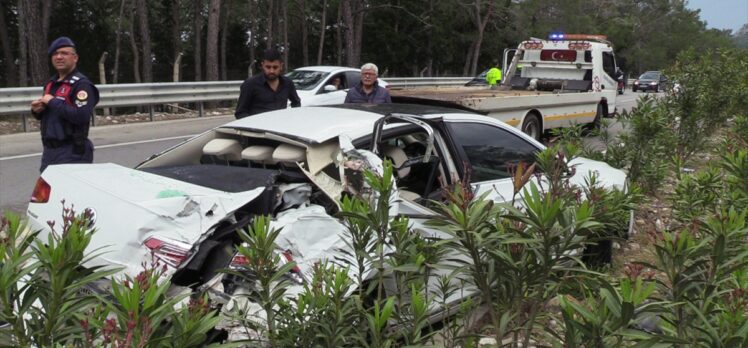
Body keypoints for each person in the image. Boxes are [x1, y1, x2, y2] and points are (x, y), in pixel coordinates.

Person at [31, 36, 99, 173]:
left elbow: (81, 116)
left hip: (72, 152)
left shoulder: (82, 85)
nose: (59, 57)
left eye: (64, 53)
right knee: (48, 193)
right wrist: (37, 111)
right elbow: (53, 115)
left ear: (75, 58)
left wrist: (52, 101)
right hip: (50, 152)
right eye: (55, 54)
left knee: (70, 193)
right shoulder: (51, 84)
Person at [235, 48, 301, 118]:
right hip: (257, 127)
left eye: (275, 67)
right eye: (268, 67)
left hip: (279, 126)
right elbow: (240, 112)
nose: (271, 71)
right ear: (262, 65)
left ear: (281, 66)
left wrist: (291, 118)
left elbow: (296, 103)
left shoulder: (288, 83)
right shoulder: (250, 84)